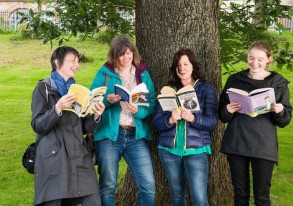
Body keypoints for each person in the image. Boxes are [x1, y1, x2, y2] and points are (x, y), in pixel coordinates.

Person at [218, 41, 293, 206]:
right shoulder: (235, 80)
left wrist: (280, 110)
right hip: (237, 142)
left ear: (268, 60)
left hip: (263, 145)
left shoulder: (278, 83)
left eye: (260, 59)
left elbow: (285, 120)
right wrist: (228, 110)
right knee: (240, 196)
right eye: (251, 58)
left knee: (262, 197)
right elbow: (222, 115)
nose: (254, 63)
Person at [31, 46, 105, 206]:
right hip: (54, 158)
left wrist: (96, 116)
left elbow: (83, 127)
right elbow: (38, 125)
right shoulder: (43, 88)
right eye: (72, 61)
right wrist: (57, 108)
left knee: (93, 200)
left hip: (79, 155)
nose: (76, 65)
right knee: (54, 201)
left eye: (77, 62)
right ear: (57, 62)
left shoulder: (76, 91)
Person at [90, 35, 156, 206]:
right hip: (110, 136)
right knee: (108, 185)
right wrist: (107, 101)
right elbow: (91, 100)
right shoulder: (104, 73)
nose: (126, 58)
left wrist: (138, 111)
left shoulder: (142, 74)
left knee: (148, 186)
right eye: (121, 54)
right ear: (114, 55)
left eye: (129, 53)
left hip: (136, 136)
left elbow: (152, 103)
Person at [152, 48, 217, 206]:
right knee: (177, 196)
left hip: (196, 150)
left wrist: (193, 118)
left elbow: (212, 122)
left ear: (193, 66)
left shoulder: (206, 89)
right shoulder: (168, 90)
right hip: (169, 151)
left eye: (186, 64)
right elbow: (156, 122)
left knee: (199, 199)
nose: (182, 68)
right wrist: (170, 120)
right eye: (178, 65)